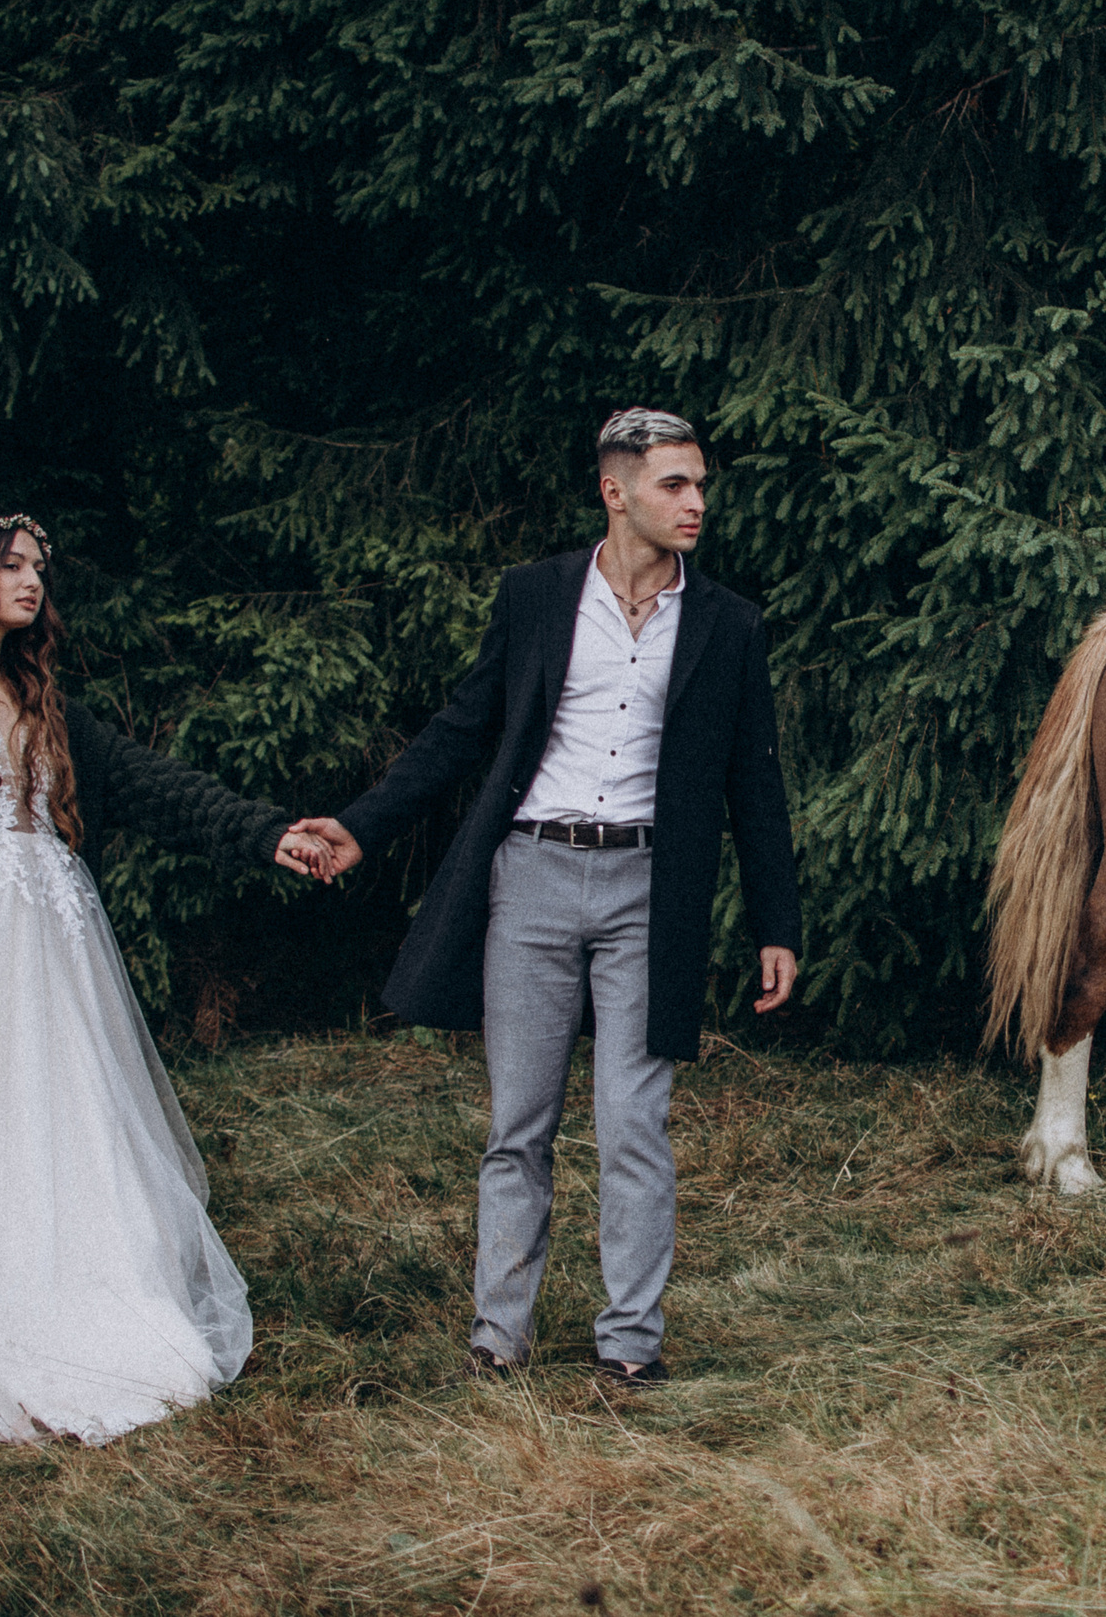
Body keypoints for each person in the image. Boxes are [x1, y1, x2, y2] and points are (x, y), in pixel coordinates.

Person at [0, 511, 336, 1443]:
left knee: (64, 1108)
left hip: (54, 939)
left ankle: (81, 1294)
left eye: (40, 567)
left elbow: (158, 787)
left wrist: (267, 834)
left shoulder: (44, 698)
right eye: (15, 566)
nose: (35, 582)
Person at [290, 407, 800, 1387]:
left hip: (651, 889)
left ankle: (630, 1349)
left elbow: (755, 779)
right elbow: (459, 728)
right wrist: (363, 822)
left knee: (632, 1121)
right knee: (517, 1120)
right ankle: (498, 1337)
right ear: (616, 491)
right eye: (674, 485)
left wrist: (778, 923)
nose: (697, 502)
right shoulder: (534, 597)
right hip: (531, 878)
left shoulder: (728, 622)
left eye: (701, 484)